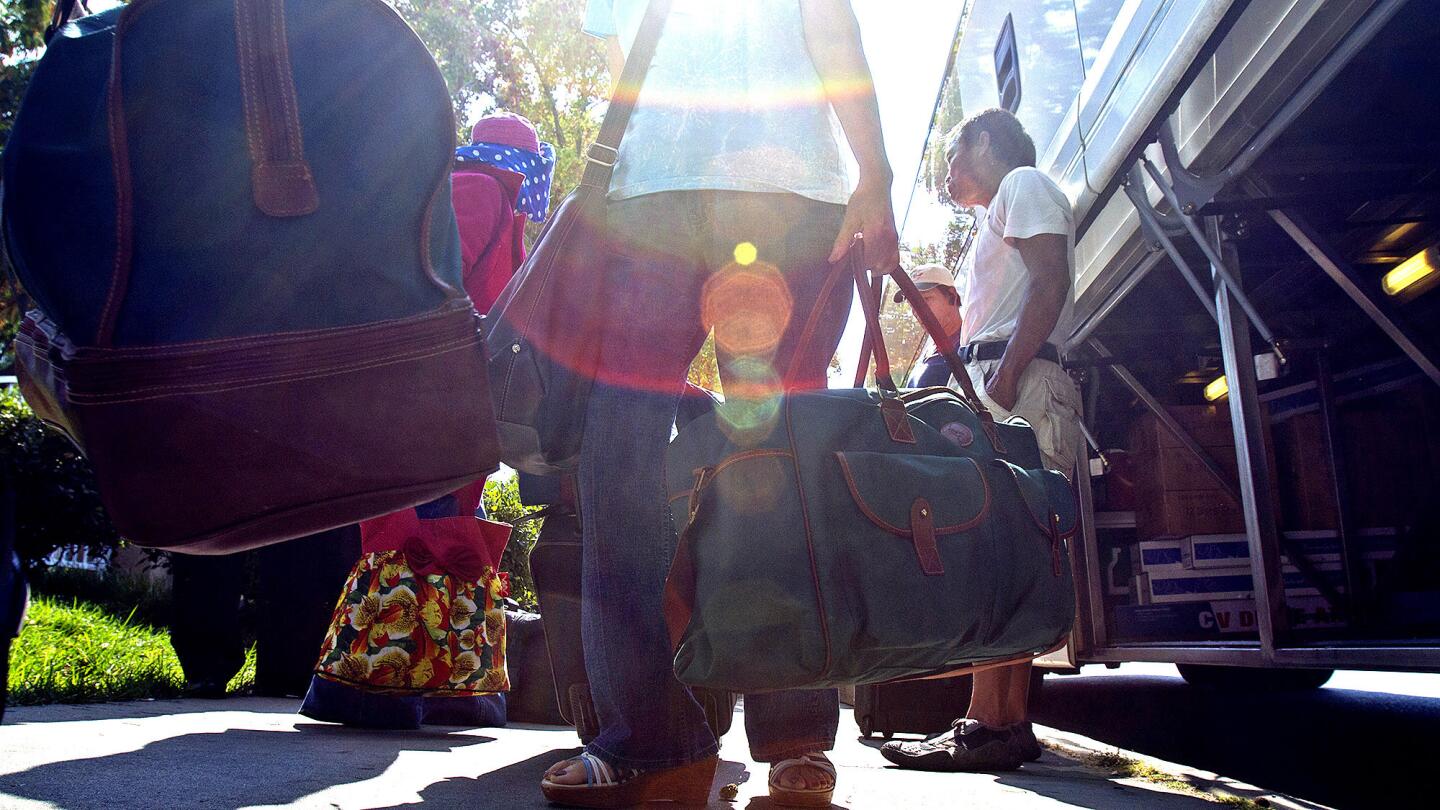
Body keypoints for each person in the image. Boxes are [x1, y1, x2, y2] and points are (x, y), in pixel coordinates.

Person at [539, 1, 900, 807]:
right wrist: (873, 172)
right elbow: (829, 28)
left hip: (672, 193)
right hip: (770, 188)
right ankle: (791, 736)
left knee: (628, 444)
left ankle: (647, 737)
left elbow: (618, 47)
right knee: (775, 451)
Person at [298, 113, 554, 730]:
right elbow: (434, 283)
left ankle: (438, 688)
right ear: (519, 160)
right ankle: (386, 691)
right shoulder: (478, 190)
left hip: (450, 394)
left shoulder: (490, 197)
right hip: (431, 389)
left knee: (443, 525)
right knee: (421, 525)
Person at [881, 107, 1082, 772]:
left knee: (1006, 550)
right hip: (1006, 384)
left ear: (987, 142)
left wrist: (1001, 383)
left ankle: (990, 723)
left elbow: (1049, 284)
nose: (947, 173)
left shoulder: (1022, 183)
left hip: (1018, 384)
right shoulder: (1003, 206)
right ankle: (995, 721)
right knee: (1002, 551)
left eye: (954, 156)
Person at [899, 263, 964, 388]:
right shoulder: (928, 351)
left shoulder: (969, 348)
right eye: (911, 303)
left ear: (952, 296)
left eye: (925, 300)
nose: (917, 311)